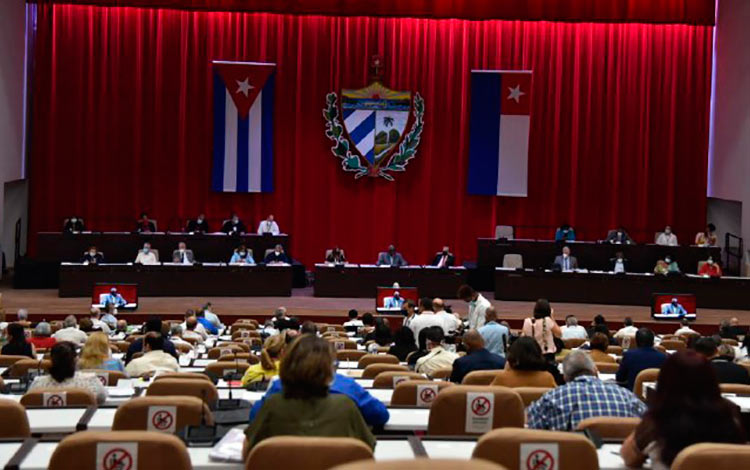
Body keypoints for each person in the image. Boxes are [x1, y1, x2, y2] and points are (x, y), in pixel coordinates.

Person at [243, 335, 376, 456]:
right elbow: (366, 451)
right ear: (329, 371)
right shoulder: (346, 406)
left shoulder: (273, 404)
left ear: (286, 364)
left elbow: (249, 452)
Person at [621, 350, 745, 469]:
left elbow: (629, 458)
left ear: (664, 382)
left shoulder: (658, 419)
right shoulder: (730, 414)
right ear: (712, 380)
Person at [249, 336, 389, 428]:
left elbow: (254, 418)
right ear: (329, 362)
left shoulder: (277, 387)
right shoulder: (347, 386)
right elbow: (380, 415)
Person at [528, 351, 646, 432]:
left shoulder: (551, 398)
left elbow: (530, 428)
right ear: (595, 371)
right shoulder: (628, 397)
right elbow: (651, 426)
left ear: (565, 377)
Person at [29, 342, 108, 404]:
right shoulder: (90, 381)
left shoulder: (38, 383)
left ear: (51, 360)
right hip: (83, 423)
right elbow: (102, 399)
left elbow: (28, 402)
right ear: (76, 359)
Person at [491, 337, 563, 387]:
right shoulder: (547, 379)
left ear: (512, 356)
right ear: (538, 354)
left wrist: (506, 371)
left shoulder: (502, 379)